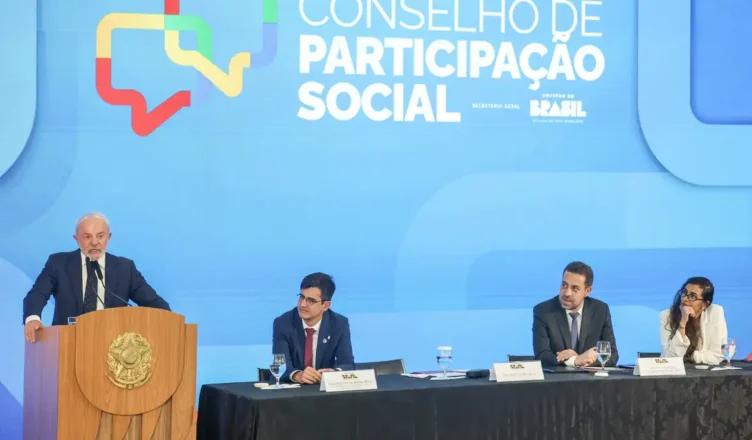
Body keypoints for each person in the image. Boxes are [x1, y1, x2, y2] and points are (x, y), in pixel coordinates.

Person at [22, 212, 170, 342]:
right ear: (76, 239)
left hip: (113, 347)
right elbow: (37, 294)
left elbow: (153, 302)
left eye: (100, 236)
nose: (94, 242)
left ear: (108, 237)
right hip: (67, 343)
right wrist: (32, 318)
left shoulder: (125, 268)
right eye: (87, 237)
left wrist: (170, 320)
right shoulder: (59, 263)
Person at [272, 272, 354, 384]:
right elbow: (280, 364)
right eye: (302, 297)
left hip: (324, 389)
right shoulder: (283, 323)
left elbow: (347, 364)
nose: (302, 304)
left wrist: (334, 372)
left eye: (311, 301)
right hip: (292, 389)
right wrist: (298, 375)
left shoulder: (339, 324)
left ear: (325, 305)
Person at [533, 261, 619, 367]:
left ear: (587, 291)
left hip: (590, 377)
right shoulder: (543, 311)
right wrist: (575, 360)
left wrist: (583, 360)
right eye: (564, 285)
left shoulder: (600, 310)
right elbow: (541, 356)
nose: (567, 293)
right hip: (558, 377)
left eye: (575, 288)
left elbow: (612, 355)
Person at [659, 277, 727, 365]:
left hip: (704, 371)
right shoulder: (667, 315)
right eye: (684, 293)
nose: (684, 299)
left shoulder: (715, 312)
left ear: (705, 304)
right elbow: (669, 358)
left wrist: (688, 355)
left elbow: (717, 355)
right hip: (674, 371)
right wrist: (682, 324)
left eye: (692, 296)